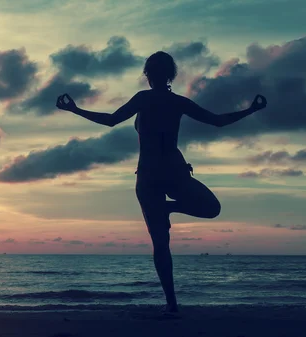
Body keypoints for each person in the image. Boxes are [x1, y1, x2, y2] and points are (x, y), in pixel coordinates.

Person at [55, 51, 267, 314]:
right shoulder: (177, 102)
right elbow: (217, 121)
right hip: (173, 171)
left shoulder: (144, 99)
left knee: (161, 242)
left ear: (148, 75)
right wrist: (251, 110)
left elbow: (110, 120)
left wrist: (75, 109)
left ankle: (172, 304)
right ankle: (171, 296)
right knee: (211, 209)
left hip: (149, 175)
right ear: (171, 75)